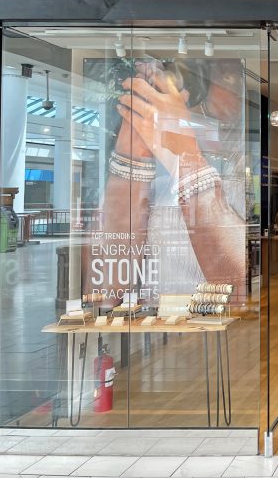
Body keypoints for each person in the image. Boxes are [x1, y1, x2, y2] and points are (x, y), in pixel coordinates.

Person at [88, 58, 247, 306]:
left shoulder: (236, 164)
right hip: (161, 321)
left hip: (222, 323)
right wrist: (132, 149)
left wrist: (183, 153)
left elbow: (238, 291)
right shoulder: (146, 164)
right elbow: (105, 292)